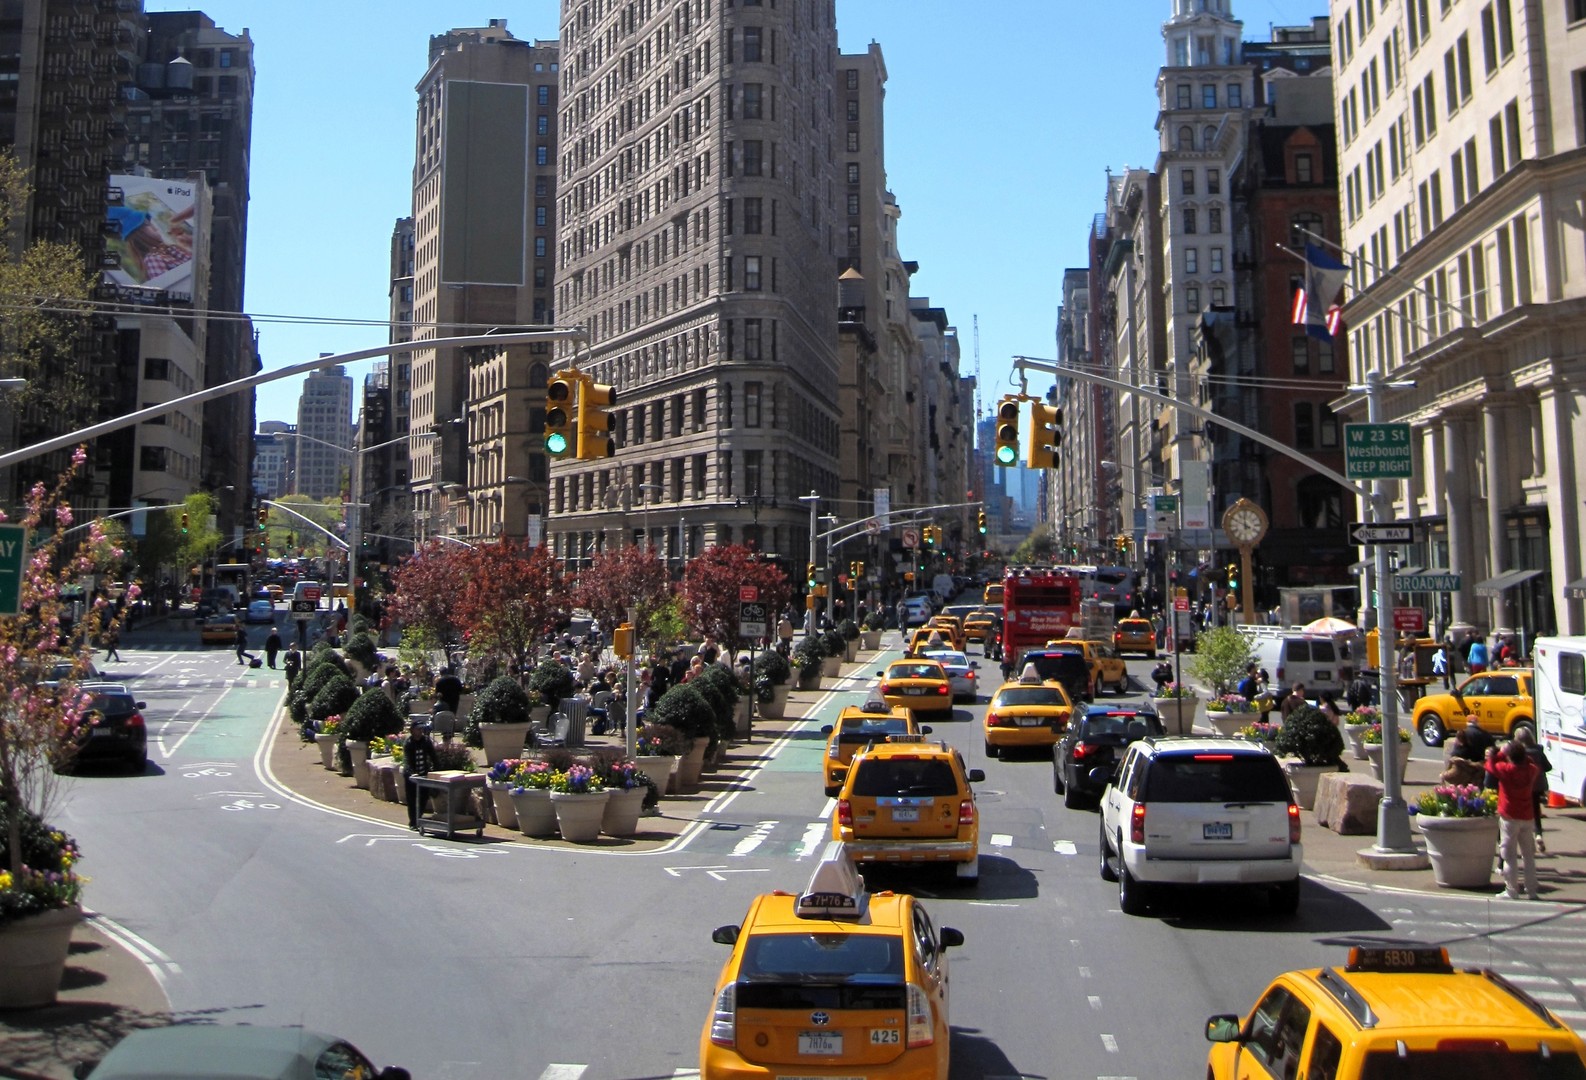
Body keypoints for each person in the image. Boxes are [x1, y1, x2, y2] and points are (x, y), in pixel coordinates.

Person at [1486, 739, 1540, 900]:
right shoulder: (1531, 770)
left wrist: (1502, 752)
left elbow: (1490, 765)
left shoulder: (1506, 769)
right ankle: (1531, 891)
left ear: (1510, 757)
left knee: (1509, 855)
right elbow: (1530, 762)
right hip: (1527, 815)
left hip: (1509, 816)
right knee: (1528, 856)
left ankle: (1512, 889)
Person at [1513, 727, 1553, 853]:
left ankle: (1526, 840)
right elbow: (1548, 767)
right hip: (1537, 785)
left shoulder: (1518, 753)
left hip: (1522, 786)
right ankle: (1538, 834)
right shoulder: (1538, 751)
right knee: (1536, 811)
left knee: (1521, 813)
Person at [402, 717, 438, 831]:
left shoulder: (426, 741)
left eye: (421, 729)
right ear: (412, 731)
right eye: (418, 729)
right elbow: (407, 760)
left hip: (423, 775)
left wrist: (437, 771)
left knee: (424, 797)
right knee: (412, 799)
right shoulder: (408, 743)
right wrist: (411, 774)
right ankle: (413, 822)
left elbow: (434, 757)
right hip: (411, 777)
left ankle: (419, 818)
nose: (420, 732)